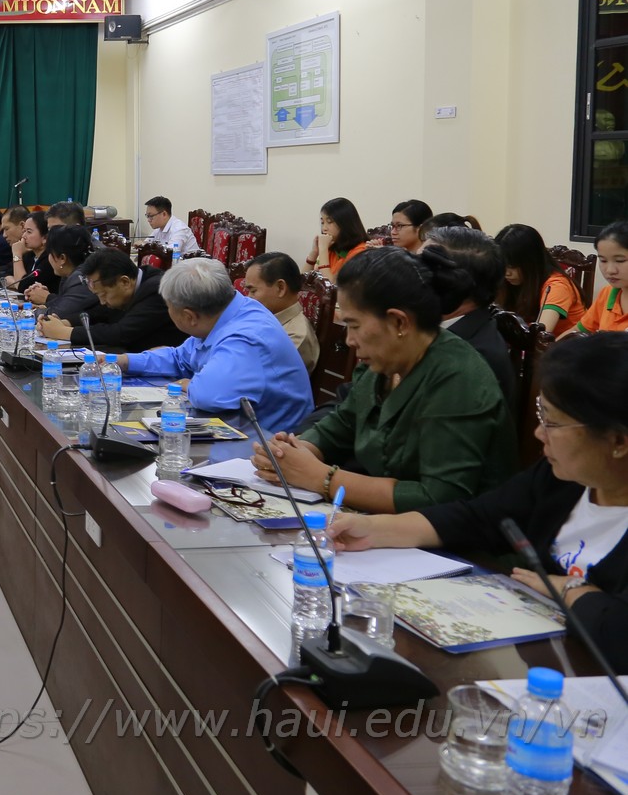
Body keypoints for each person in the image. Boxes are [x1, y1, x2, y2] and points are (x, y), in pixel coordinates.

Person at [328, 333, 628, 671]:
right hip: (544, 661)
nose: (539, 433)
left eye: (553, 422)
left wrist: (571, 589)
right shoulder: (563, 480)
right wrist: (373, 530)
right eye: (541, 415)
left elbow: (620, 635)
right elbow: (478, 518)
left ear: (617, 441)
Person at [251, 247, 514, 513]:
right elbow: (343, 422)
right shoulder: (387, 361)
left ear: (399, 323)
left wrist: (321, 478)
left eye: (354, 326)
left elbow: (439, 498)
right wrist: (296, 453)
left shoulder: (457, 376)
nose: (349, 340)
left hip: (457, 546)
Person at [94, 257, 312, 433]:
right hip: (237, 429)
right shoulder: (223, 314)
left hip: (270, 444)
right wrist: (125, 361)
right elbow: (180, 357)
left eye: (169, 307)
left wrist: (190, 384)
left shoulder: (245, 336)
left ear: (189, 316)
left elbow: (209, 395)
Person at [423, 225, 518, 409]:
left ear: (454, 283)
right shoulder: (437, 326)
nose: (412, 273)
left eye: (421, 267)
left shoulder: (475, 357)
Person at [38, 248, 184, 352]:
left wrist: (64, 332)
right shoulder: (133, 284)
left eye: (104, 295)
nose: (102, 302)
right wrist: (65, 322)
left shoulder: (158, 290)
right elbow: (100, 312)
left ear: (124, 282)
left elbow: (120, 333)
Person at [493, 223, 585, 334]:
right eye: (503, 265)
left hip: (563, 348)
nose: (507, 273)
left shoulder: (556, 286)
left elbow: (540, 336)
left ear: (531, 262)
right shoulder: (514, 282)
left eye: (512, 266)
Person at [240, 252, 317, 371]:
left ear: (280, 288)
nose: (248, 298)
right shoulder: (264, 318)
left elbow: (251, 376)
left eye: (253, 291)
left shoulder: (295, 337)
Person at [34, 225, 98, 326]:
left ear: (62, 258)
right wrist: (40, 307)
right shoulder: (73, 274)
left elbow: (55, 315)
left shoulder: (80, 278)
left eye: (49, 253)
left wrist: (27, 313)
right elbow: (62, 301)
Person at [574, 220, 628, 335]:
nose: (610, 270)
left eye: (620, 260)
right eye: (603, 260)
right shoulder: (608, 293)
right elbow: (578, 332)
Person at [305, 196, 369, 277]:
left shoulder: (360, 252)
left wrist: (323, 249)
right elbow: (301, 283)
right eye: (322, 222)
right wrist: (314, 253)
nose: (324, 228)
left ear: (345, 223)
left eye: (329, 222)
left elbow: (330, 286)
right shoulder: (332, 248)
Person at [10, 211, 56, 294]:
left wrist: (17, 254)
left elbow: (21, 286)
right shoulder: (30, 256)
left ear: (45, 238)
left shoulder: (49, 260)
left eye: (29, 232)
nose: (23, 236)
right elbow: (6, 272)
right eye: (24, 231)